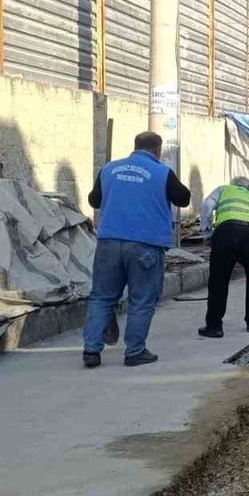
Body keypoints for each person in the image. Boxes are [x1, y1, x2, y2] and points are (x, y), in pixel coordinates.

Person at [81, 132, 191, 368]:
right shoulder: (162, 173)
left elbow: (94, 200)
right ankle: (135, 351)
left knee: (101, 297)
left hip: (109, 242)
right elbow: (184, 199)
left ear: (135, 146)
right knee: (141, 300)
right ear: (157, 150)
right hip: (145, 245)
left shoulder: (109, 169)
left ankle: (91, 350)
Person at [198, 176, 249, 338]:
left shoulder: (224, 189)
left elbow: (207, 205)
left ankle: (214, 326)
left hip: (227, 233)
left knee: (218, 281)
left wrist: (207, 232)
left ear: (234, 185)